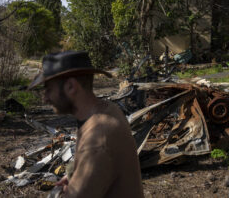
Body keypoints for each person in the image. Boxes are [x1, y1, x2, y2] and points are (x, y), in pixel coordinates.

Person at [28, 51, 144, 198]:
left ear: (71, 86)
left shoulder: (98, 138)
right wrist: (74, 176)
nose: (45, 98)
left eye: (49, 89)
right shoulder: (106, 110)